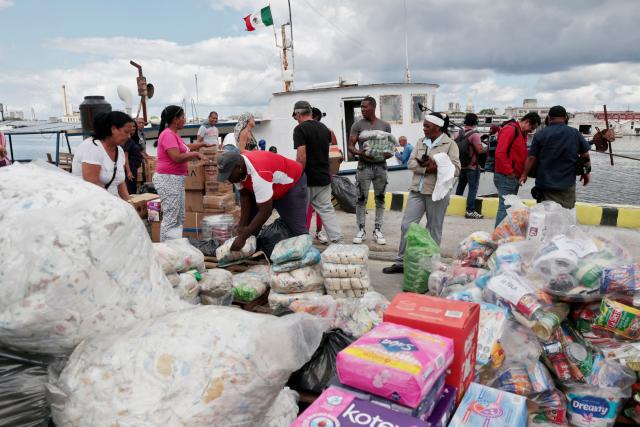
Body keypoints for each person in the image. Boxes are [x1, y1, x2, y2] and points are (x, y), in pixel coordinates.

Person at [383, 112, 461, 274]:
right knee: (407, 225)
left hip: (437, 193)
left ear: (437, 127)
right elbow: (410, 164)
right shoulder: (420, 142)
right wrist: (427, 168)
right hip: (417, 191)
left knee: (433, 228)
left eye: (427, 125)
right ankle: (401, 262)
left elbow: (456, 169)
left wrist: (438, 167)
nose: (423, 128)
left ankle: (431, 265)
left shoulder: (450, 144)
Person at [216, 150, 308, 251]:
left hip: (291, 184)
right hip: (270, 186)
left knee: (297, 232)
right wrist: (242, 226)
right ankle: (250, 253)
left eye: (229, 175)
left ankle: (308, 259)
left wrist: (242, 237)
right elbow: (244, 196)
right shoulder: (238, 171)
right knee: (250, 229)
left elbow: (265, 211)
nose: (228, 180)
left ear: (239, 168)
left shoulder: (259, 173)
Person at [153, 105, 208, 241]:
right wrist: (196, 154)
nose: (185, 119)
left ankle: (175, 247)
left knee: (179, 216)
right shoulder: (167, 135)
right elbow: (176, 156)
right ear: (175, 119)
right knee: (171, 217)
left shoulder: (174, 135)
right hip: (167, 179)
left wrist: (200, 145)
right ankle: (165, 250)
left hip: (176, 179)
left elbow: (184, 148)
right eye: (183, 117)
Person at [293, 100, 344, 244]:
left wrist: (297, 176)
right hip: (323, 177)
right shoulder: (324, 129)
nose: (296, 119)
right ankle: (337, 241)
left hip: (307, 178)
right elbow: (333, 152)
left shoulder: (300, 129)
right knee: (326, 210)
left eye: (295, 116)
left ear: (298, 113)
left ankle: (301, 244)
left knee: (300, 212)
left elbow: (302, 155)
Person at [521, 105, 591, 209]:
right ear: (565, 117)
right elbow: (585, 155)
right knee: (565, 215)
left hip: (545, 184)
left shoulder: (540, 134)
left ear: (549, 118)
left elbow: (532, 158)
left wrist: (524, 174)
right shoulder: (575, 133)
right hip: (567, 184)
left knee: (545, 216)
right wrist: (586, 173)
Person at [348, 96, 392, 245]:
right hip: (363, 166)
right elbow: (351, 146)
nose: (362, 110)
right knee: (361, 199)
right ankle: (361, 230)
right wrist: (360, 153)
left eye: (365, 107)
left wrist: (387, 153)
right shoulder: (357, 125)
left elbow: (390, 147)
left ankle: (378, 230)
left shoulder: (385, 126)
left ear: (373, 107)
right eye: (361, 107)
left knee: (380, 199)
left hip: (381, 166)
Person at [493, 112, 542, 226]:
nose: (531, 131)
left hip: (512, 176)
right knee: (505, 208)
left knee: (509, 207)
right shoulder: (510, 130)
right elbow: (500, 153)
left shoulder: (521, 133)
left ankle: (502, 234)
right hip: (506, 176)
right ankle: (498, 237)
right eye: (531, 128)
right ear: (526, 122)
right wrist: (510, 172)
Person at [71, 111, 134, 199]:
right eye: (126, 132)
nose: (129, 137)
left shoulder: (119, 150)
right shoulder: (92, 147)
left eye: (130, 133)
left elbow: (120, 182)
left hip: (112, 203)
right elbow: (93, 184)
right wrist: (115, 204)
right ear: (113, 129)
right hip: (93, 203)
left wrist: (129, 202)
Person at [455, 113, 486, 219]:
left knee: (460, 187)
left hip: (461, 166)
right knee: (473, 189)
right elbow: (480, 151)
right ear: (476, 122)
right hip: (472, 167)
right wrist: (489, 147)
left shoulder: (457, 133)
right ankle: (470, 210)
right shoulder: (475, 135)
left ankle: (456, 206)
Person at [123, 118, 152, 195]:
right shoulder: (128, 140)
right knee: (130, 189)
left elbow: (140, 150)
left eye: (134, 127)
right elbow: (125, 156)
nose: (133, 128)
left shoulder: (134, 139)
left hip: (134, 167)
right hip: (130, 167)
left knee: (133, 188)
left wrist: (147, 158)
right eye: (131, 126)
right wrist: (128, 171)